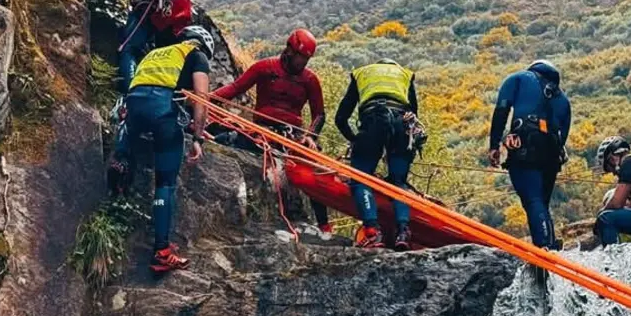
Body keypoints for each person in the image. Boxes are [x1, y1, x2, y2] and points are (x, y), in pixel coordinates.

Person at [212, 29, 333, 236]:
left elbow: (319, 114)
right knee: (231, 140)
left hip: (293, 135)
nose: (302, 63)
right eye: (300, 57)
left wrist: (310, 136)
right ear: (289, 50)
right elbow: (235, 88)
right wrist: (208, 98)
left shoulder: (310, 80)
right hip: (263, 130)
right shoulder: (264, 68)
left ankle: (323, 224)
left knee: (314, 168)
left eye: (306, 59)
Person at [113, 25, 212, 273]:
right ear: (201, 44)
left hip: (134, 106)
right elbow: (201, 98)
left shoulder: (157, 53)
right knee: (165, 182)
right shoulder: (196, 55)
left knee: (127, 152)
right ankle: (161, 251)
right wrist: (198, 138)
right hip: (162, 110)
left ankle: (119, 179)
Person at [334, 59, 423, 251]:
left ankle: (373, 231)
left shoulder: (362, 73)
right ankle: (403, 232)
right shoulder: (405, 74)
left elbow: (340, 118)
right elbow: (414, 113)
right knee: (398, 182)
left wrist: (354, 139)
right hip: (402, 123)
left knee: (360, 178)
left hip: (374, 119)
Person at [487, 60, 571, 249]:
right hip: (552, 151)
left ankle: (544, 247)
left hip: (526, 142)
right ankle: (551, 243)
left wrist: (494, 145)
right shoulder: (563, 99)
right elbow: (563, 135)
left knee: (532, 199)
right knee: (541, 202)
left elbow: (501, 110)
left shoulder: (519, 78)